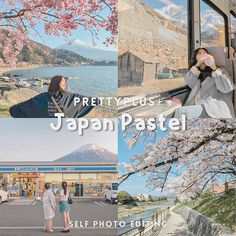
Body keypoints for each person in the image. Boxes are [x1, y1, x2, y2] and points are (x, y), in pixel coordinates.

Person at [175, 48, 235, 119]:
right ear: (195, 57)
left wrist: (214, 67)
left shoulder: (220, 71)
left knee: (181, 112)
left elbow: (227, 88)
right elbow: (190, 82)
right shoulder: (195, 73)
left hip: (215, 108)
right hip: (200, 105)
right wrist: (198, 63)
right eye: (200, 53)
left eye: (205, 53)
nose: (203, 54)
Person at [10, 75, 97, 118]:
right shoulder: (69, 96)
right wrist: (98, 100)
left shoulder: (41, 97)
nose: (65, 84)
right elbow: (87, 100)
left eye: (65, 82)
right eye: (63, 83)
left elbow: (14, 110)